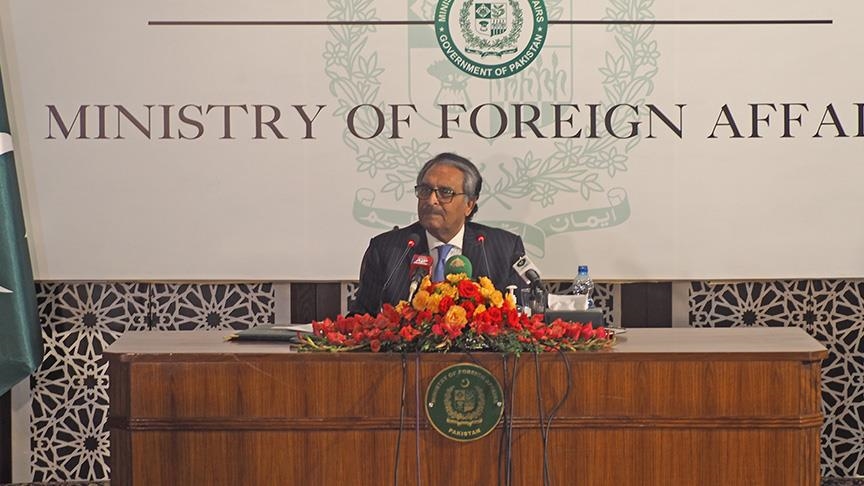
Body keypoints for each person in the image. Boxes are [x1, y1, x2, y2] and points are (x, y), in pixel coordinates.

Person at [349, 152, 527, 315]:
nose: (431, 200)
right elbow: (361, 319)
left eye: (445, 192)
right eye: (425, 190)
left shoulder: (505, 249)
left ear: (469, 204)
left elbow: (523, 320)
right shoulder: (386, 250)